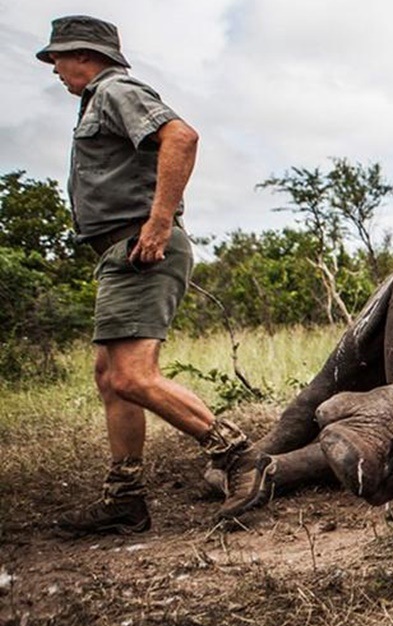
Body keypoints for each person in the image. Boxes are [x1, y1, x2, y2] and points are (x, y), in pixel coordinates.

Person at [36, 15, 275, 534]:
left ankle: (239, 455)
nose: (53, 67)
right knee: (111, 379)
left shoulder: (116, 89)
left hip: (140, 249)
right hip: (122, 251)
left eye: (57, 57)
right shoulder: (97, 100)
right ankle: (125, 498)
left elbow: (181, 137)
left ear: (83, 54)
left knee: (131, 376)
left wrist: (159, 223)